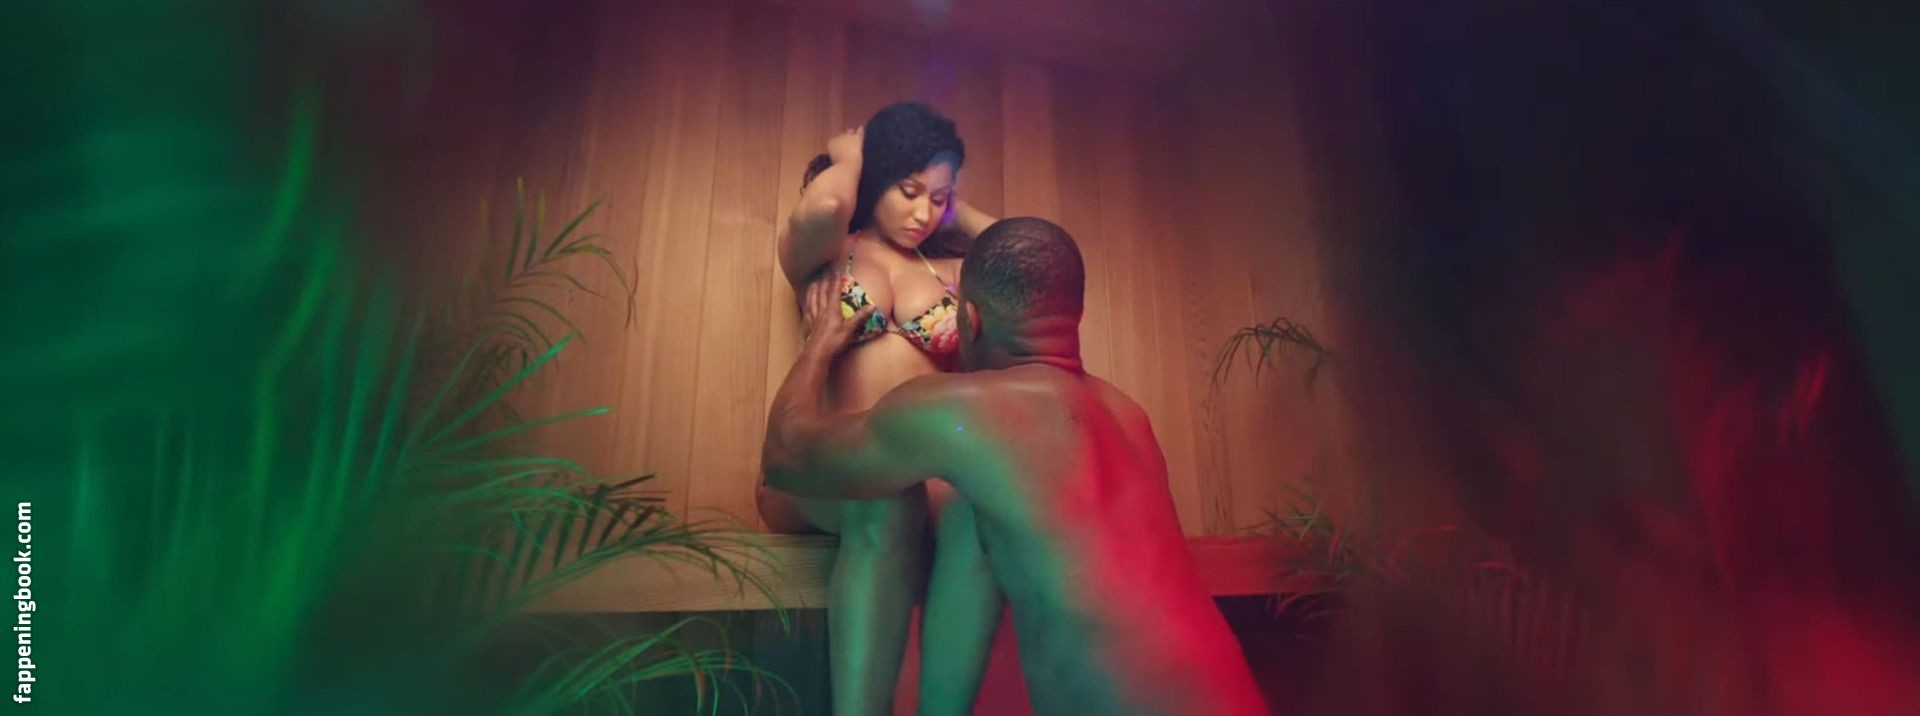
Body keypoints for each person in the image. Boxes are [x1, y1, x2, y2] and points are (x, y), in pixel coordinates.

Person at [764, 217, 1270, 715]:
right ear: (1076, 315)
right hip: (1238, 699)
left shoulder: (968, 412)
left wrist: (820, 343)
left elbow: (787, 456)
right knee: (968, 510)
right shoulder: (1129, 417)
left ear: (970, 318)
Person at [758, 101, 1001, 716]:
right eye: (908, 191)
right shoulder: (829, 252)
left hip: (921, 476)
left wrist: (948, 196)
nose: (924, 214)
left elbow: (1021, 248)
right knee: (884, 496)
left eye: (938, 199)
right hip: (824, 468)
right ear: (875, 179)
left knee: (985, 512)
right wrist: (851, 159)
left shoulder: (950, 269)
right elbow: (824, 206)